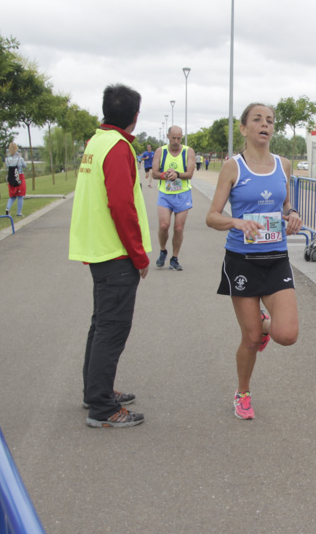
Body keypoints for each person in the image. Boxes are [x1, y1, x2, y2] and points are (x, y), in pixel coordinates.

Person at [206, 102, 302, 421]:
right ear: (244, 128)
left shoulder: (284, 165)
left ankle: (265, 324)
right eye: (257, 119)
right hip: (242, 261)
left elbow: (286, 205)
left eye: (270, 121)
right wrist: (237, 222)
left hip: (276, 258)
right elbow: (212, 216)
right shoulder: (233, 167)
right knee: (249, 339)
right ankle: (243, 393)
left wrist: (292, 216)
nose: (265, 124)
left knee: (286, 334)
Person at [68, 83, 151, 429]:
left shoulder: (96, 142)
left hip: (99, 249)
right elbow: (121, 206)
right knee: (112, 329)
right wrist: (140, 256)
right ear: (134, 116)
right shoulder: (118, 148)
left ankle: (95, 390)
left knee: (101, 324)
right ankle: (101, 407)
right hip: (115, 254)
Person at [152, 126, 196, 271]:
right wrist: (166, 175)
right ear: (168, 136)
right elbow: (154, 173)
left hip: (183, 194)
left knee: (178, 227)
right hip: (165, 193)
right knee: (164, 225)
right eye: (173, 138)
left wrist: (177, 174)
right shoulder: (161, 151)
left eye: (179, 138)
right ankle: (163, 250)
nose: (176, 141)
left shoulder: (188, 151)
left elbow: (189, 173)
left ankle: (174, 258)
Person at [4, 143, 27, 217]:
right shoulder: (19, 158)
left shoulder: (7, 159)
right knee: (20, 195)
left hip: (11, 178)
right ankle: (19, 212)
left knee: (12, 195)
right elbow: (25, 165)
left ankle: (8, 208)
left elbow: (7, 167)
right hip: (19, 176)